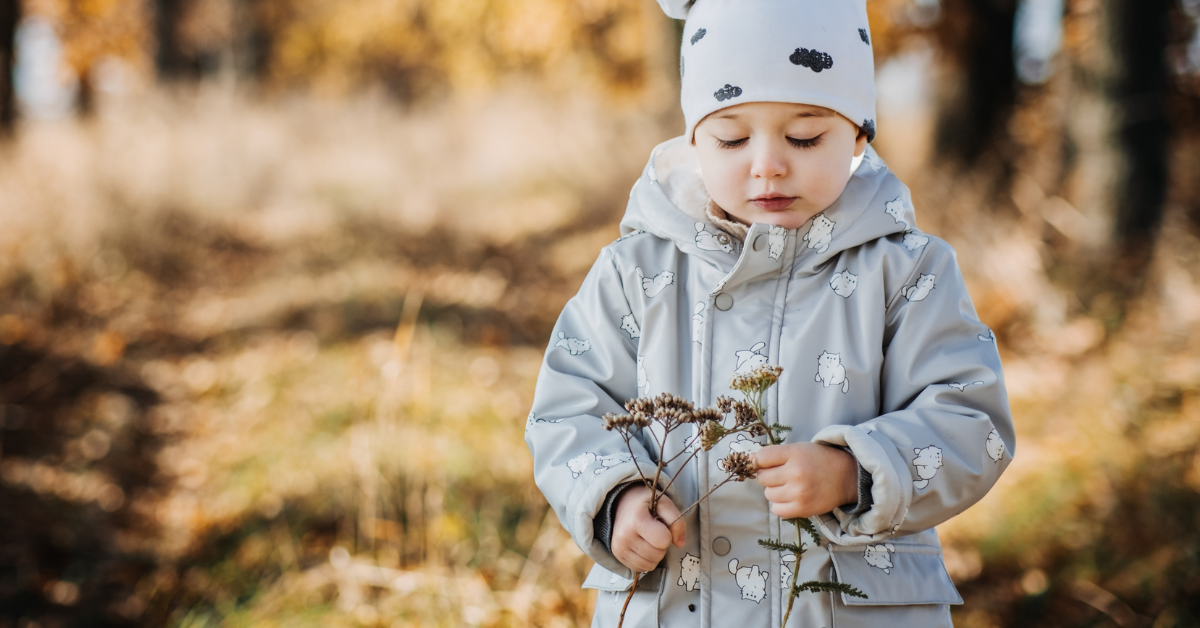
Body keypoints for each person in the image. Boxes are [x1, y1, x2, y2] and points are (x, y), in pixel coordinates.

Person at [524, 0, 1014, 625]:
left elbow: (972, 419)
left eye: (805, 136)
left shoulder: (905, 270)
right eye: (731, 136)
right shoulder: (636, 271)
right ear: (694, 138)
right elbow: (568, 404)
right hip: (678, 603)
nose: (768, 164)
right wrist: (614, 496)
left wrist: (852, 471)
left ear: (859, 136)